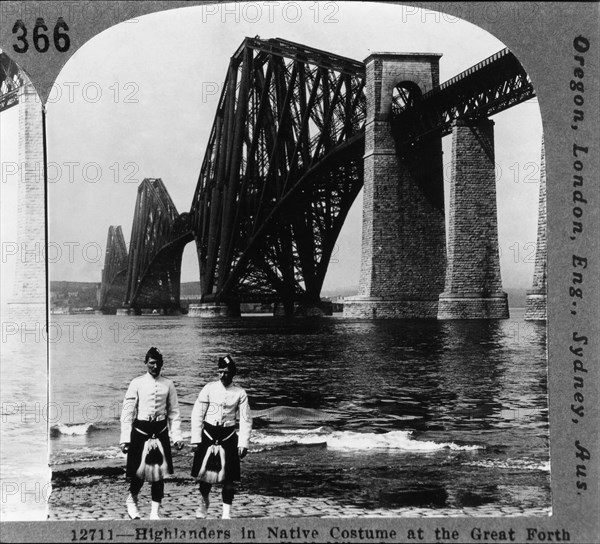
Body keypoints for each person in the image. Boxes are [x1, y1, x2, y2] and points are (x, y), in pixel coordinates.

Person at [120, 347, 184, 520]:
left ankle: (154, 513)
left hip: (160, 431)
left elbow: (174, 412)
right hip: (141, 431)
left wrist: (177, 436)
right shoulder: (137, 383)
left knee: (158, 475)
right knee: (138, 473)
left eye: (158, 363)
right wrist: (125, 439)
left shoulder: (168, 384)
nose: (155, 366)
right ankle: (131, 500)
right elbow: (127, 412)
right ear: (146, 363)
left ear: (162, 364)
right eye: (151, 363)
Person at [191, 354, 252, 519]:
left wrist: (243, 443)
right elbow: (197, 413)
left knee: (229, 479)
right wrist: (196, 439)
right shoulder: (209, 388)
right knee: (205, 478)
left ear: (233, 373)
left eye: (226, 372)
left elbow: (246, 419)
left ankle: (226, 514)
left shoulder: (240, 393)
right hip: (209, 435)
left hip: (228, 436)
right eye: (220, 372)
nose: (222, 376)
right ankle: (203, 505)